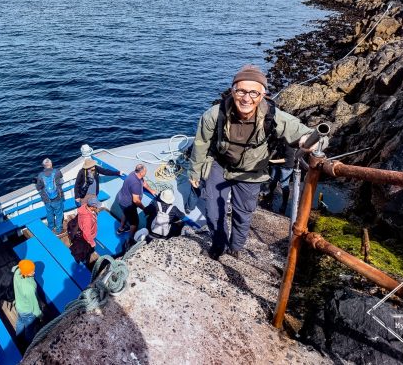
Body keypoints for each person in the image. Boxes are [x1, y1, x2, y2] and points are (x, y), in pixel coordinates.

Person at [188, 64, 315, 261]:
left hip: (252, 172)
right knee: (213, 212)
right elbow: (201, 143)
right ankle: (218, 244)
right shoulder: (214, 114)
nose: (246, 98)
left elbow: (310, 134)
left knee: (243, 213)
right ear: (232, 91)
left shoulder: (273, 116)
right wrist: (195, 172)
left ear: (263, 94)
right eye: (241, 91)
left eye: (254, 92)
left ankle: (236, 246)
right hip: (220, 165)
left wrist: (310, 141)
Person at [116, 163, 157, 240]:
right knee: (134, 223)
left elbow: (143, 183)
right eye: (145, 171)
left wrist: (151, 190)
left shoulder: (134, 173)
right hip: (128, 205)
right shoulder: (136, 184)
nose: (146, 172)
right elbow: (136, 200)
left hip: (122, 200)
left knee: (125, 214)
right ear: (141, 173)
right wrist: (145, 209)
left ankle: (120, 229)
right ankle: (130, 239)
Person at [12, 259, 41, 345]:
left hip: (19, 306)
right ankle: (28, 344)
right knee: (29, 329)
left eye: (33, 270)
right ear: (25, 273)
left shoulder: (17, 272)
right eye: (31, 271)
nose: (34, 272)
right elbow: (34, 306)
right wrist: (40, 315)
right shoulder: (29, 287)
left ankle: (18, 337)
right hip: (28, 311)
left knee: (20, 321)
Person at [35, 158, 64, 234]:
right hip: (57, 197)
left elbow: (38, 188)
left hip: (46, 199)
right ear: (51, 164)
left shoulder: (40, 175)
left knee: (49, 213)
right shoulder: (57, 172)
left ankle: (51, 227)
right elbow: (61, 177)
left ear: (44, 166)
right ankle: (59, 230)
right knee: (58, 213)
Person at [75, 195, 101, 261]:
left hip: (82, 229)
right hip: (87, 238)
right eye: (96, 206)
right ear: (92, 207)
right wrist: (92, 243)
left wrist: (95, 211)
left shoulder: (84, 206)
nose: (97, 207)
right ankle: (84, 259)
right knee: (86, 250)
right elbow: (86, 234)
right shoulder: (87, 219)